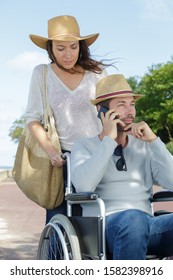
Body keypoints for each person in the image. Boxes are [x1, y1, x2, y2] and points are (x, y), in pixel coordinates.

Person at [70, 74, 173, 260]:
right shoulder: (83, 146)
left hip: (148, 224)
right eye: (121, 105)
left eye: (132, 104)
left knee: (137, 220)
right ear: (102, 112)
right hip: (105, 227)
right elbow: (84, 186)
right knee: (133, 219)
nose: (130, 111)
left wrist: (154, 141)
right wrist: (108, 141)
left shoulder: (143, 146)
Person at [24, 15, 110, 224]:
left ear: (80, 45)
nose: (68, 54)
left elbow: (110, 110)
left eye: (73, 46)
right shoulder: (42, 73)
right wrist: (52, 153)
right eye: (60, 48)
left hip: (97, 153)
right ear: (50, 49)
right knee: (59, 221)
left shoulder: (96, 72)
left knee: (99, 222)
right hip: (63, 160)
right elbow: (32, 118)